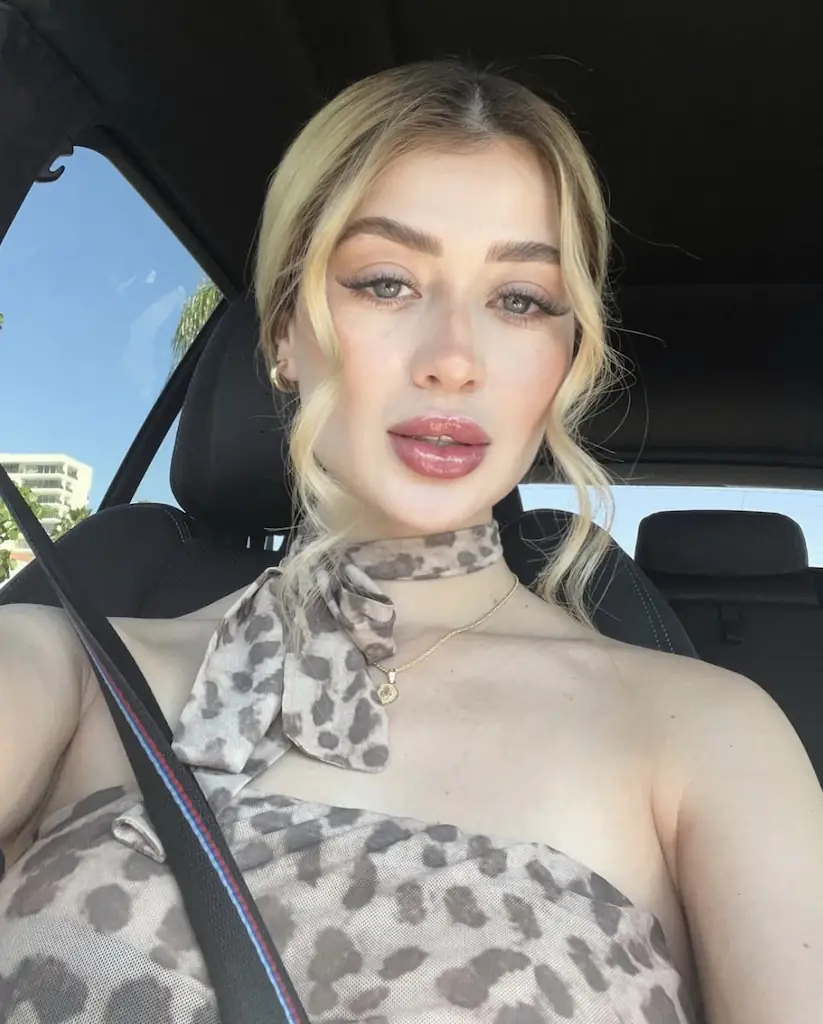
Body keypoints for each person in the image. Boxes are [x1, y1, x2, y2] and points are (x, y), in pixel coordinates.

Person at [1, 60, 821, 1024]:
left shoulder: (712, 734)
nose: (454, 360)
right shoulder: (66, 668)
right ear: (285, 334)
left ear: (565, 355)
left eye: (521, 299)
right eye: (386, 283)